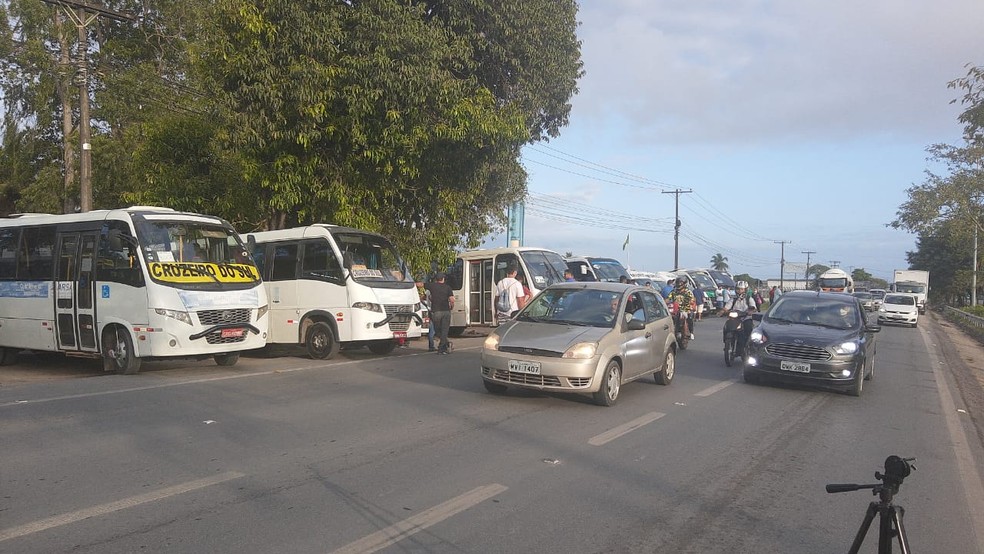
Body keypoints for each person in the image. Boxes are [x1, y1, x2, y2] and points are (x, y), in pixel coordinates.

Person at [425, 272, 455, 354]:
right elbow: (452, 299)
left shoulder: (432, 286)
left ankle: (444, 346)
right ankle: (443, 347)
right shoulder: (448, 287)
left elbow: (421, 284)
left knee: (437, 330)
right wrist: (452, 306)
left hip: (436, 312)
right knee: (444, 330)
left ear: (436, 279)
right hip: (446, 311)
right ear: (443, 279)